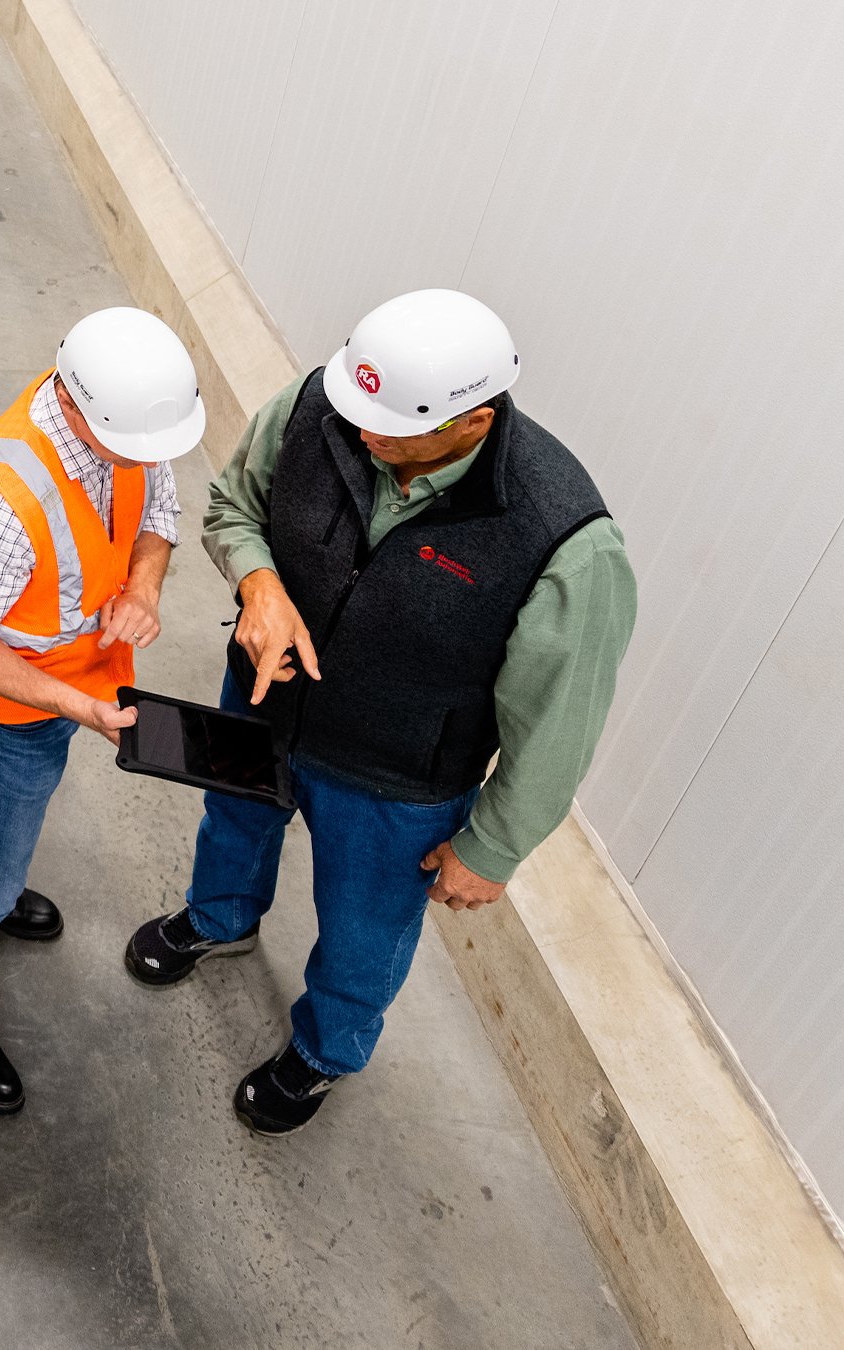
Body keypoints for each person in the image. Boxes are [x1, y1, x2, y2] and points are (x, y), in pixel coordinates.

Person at [123, 289, 637, 1136]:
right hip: (262, 697)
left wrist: (494, 847)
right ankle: (220, 921)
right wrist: (258, 585)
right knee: (232, 822)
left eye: (390, 427)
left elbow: (560, 726)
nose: (359, 434)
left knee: (364, 932)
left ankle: (326, 1049)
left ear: (473, 422)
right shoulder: (326, 404)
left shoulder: (564, 543)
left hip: (395, 782)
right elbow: (232, 507)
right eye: (355, 409)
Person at [0, 306, 205, 1114]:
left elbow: (157, 514)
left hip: (56, 694)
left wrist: (142, 587)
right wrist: (76, 705)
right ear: (74, 406)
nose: (153, 459)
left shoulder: (129, 427)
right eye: (138, 447)